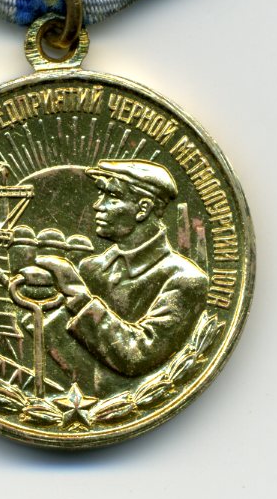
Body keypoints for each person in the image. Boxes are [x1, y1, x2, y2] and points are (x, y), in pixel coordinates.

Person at [36, 159, 208, 384]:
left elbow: (139, 354)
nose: (98, 205)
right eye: (102, 194)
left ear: (143, 209)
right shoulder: (92, 268)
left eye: (112, 196)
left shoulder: (186, 280)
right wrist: (40, 296)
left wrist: (77, 295)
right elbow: (53, 341)